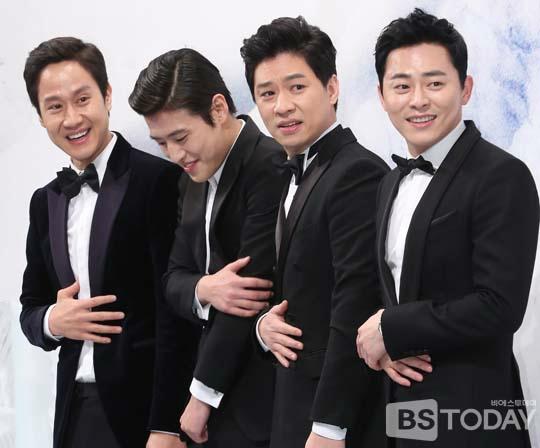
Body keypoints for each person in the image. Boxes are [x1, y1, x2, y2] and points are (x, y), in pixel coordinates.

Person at [356, 9, 539, 447]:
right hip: (406, 412)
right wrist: (388, 346)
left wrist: (393, 329)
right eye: (402, 86)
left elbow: (500, 306)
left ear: (466, 88)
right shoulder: (390, 182)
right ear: (382, 95)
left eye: (435, 83)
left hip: (474, 416)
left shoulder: (502, 175)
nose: (418, 100)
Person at [19, 37, 199, 448]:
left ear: (107, 96)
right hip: (75, 410)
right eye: (55, 107)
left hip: (145, 412)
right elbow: (30, 307)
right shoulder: (45, 201)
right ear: (41, 117)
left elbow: (175, 315)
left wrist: (167, 423)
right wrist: (53, 321)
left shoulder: (159, 180)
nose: (72, 118)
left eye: (82, 99)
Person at [240, 16, 389, 448]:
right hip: (292, 403)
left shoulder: (357, 172)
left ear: (332, 88)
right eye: (267, 94)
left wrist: (329, 426)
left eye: (297, 87)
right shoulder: (287, 172)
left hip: (338, 418)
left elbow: (356, 301)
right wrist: (263, 326)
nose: (281, 106)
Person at [129, 48, 285, 448]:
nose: (174, 154)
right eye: (162, 143)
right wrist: (204, 288)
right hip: (214, 404)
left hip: (260, 400)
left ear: (218, 109)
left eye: (180, 138)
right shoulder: (190, 179)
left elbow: (248, 295)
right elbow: (172, 280)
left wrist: (201, 396)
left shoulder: (269, 164)